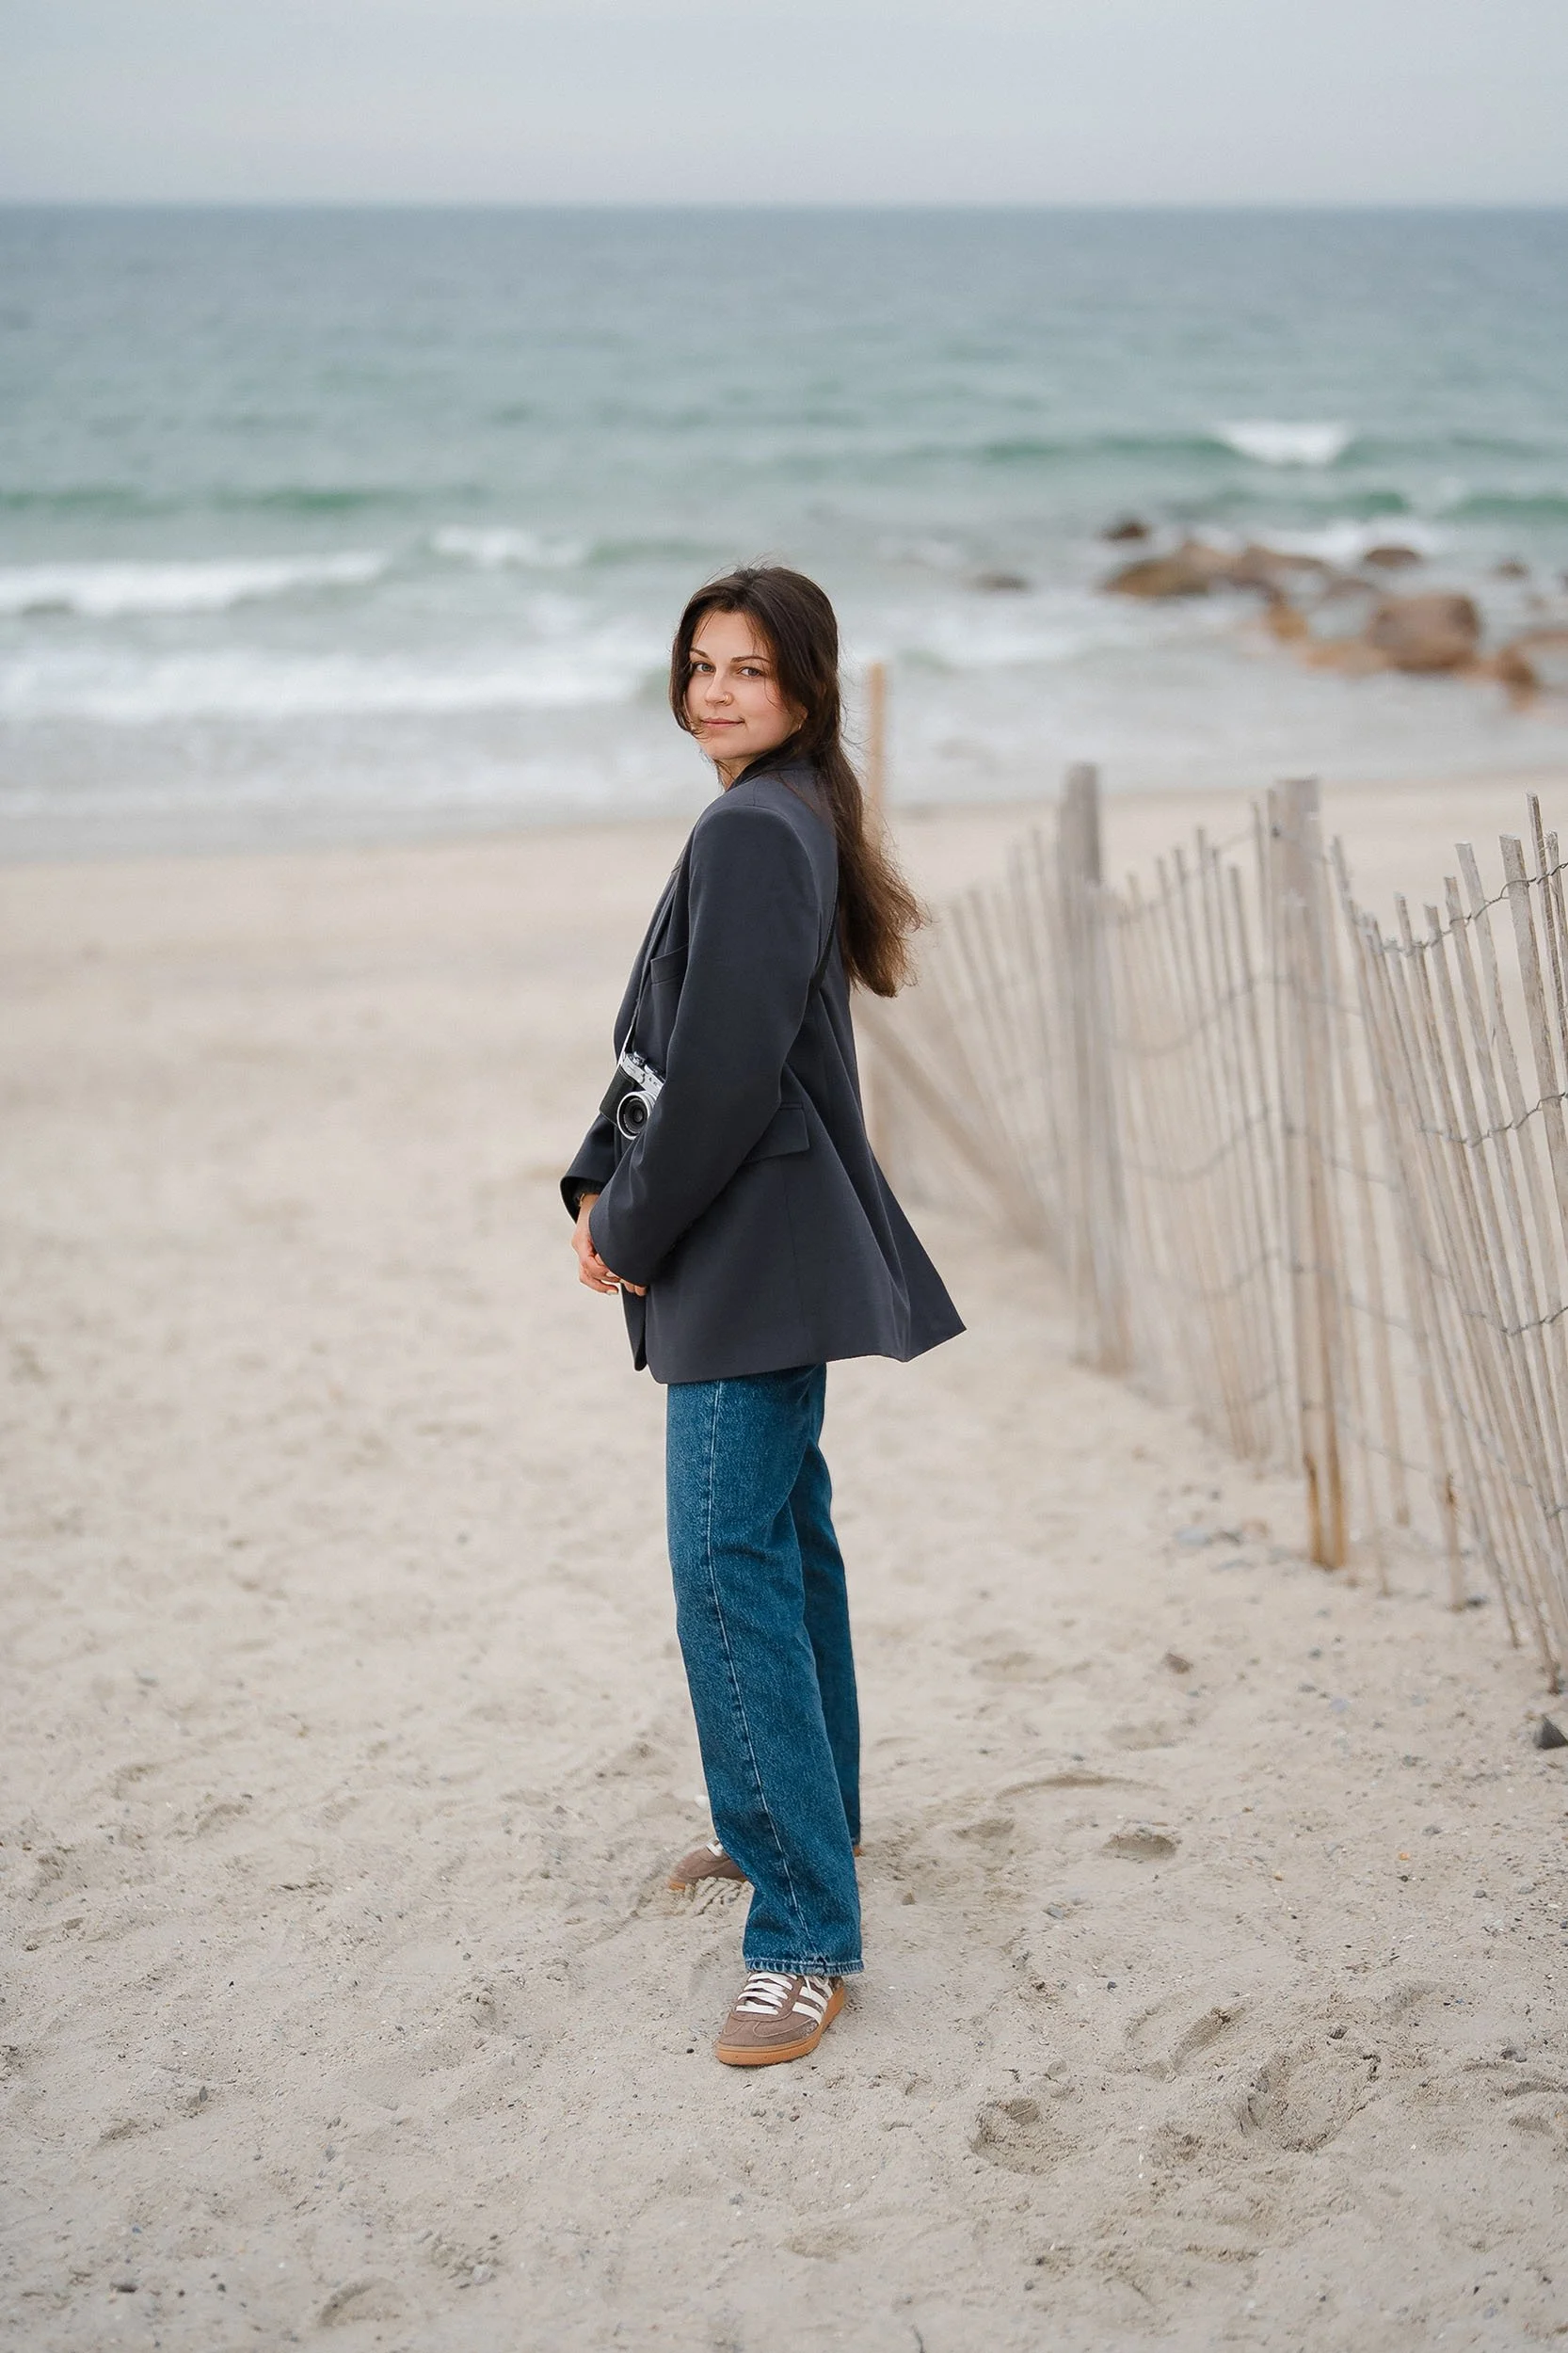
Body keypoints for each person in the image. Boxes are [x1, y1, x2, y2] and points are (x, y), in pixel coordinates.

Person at [562, 566, 962, 2067]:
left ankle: (801, 1930)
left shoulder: (755, 826)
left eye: (748, 669)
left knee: (727, 1571)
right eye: (699, 666)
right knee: (783, 1550)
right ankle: (798, 1829)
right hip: (757, 1238)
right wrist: (599, 1175)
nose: (717, 692)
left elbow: (723, 1076)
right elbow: (690, 1049)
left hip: (745, 1245)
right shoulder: (778, 814)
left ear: (806, 687)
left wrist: (635, 1221)